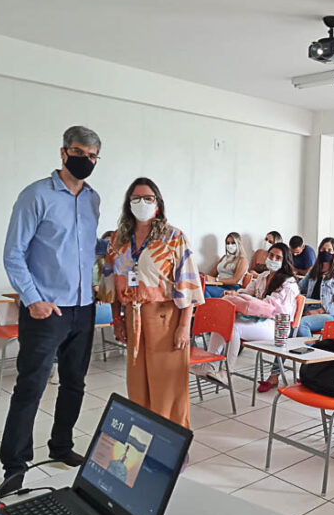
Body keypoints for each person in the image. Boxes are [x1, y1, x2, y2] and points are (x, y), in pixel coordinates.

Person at [0, 126, 102, 493]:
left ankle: (61, 446)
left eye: (92, 156)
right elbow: (13, 254)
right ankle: (14, 464)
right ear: (63, 153)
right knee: (31, 385)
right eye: (79, 152)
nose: (85, 160)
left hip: (83, 308)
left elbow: (86, 251)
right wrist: (33, 299)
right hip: (46, 311)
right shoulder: (36, 195)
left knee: (74, 383)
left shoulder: (93, 199)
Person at [101, 177, 203, 431]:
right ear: (128, 204)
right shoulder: (118, 240)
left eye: (148, 198)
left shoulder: (174, 238)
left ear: (158, 204)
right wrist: (117, 319)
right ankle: (142, 438)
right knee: (138, 384)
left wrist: (183, 327)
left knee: (168, 386)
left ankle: (172, 445)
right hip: (132, 318)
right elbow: (110, 284)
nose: (142, 203)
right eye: (136, 198)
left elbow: (188, 285)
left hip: (165, 319)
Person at [204, 243, 300, 389]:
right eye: (271, 255)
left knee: (235, 327)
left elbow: (273, 308)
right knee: (222, 321)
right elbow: (247, 292)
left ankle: (226, 373)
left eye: (278, 257)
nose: (273, 259)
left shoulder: (289, 283)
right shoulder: (263, 276)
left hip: (276, 326)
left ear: (284, 261)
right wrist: (235, 294)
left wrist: (249, 301)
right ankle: (210, 365)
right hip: (258, 319)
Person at [297, 238, 334, 337]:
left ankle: (310, 350)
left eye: (329, 250)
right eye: (323, 249)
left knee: (303, 324)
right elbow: (301, 287)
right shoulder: (313, 271)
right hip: (308, 308)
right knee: (290, 320)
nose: (325, 252)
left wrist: (319, 311)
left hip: (328, 314)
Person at [204, 232, 248, 297]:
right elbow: (212, 274)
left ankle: (210, 306)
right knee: (200, 287)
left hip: (232, 288)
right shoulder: (224, 257)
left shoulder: (242, 260)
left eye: (233, 243)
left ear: (238, 244)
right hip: (219, 285)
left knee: (205, 289)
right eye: (228, 243)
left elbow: (235, 280)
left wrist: (215, 280)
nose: (230, 245)